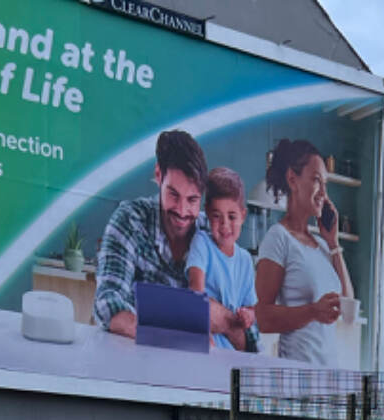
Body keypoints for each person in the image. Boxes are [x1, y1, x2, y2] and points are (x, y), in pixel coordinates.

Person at [94, 129, 246, 347]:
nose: (183, 211)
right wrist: (177, 334)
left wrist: (226, 320)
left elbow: (240, 327)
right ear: (158, 175)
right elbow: (107, 301)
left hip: (202, 366)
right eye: (173, 195)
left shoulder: (212, 233)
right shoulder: (130, 220)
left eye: (192, 199)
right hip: (137, 361)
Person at [253, 138, 354, 367]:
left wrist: (334, 243)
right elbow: (261, 316)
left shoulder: (322, 245)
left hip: (328, 378)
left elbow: (348, 309)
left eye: (325, 184)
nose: (324, 194)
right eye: (317, 180)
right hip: (297, 377)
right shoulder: (278, 238)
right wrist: (313, 312)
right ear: (292, 179)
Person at [185, 168, 258, 353]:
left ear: (243, 215)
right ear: (207, 213)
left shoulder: (245, 260)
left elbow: (251, 308)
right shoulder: (202, 242)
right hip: (205, 346)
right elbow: (195, 288)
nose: (225, 225)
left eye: (232, 216)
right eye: (217, 216)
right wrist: (202, 329)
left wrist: (248, 316)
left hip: (233, 353)